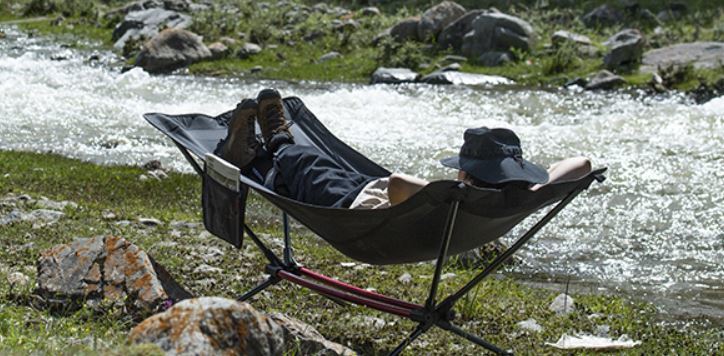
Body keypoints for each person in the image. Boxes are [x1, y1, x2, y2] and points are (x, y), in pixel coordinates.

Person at [217, 88, 592, 209]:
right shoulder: (519, 199)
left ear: (464, 174)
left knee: (304, 163)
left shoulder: (454, 202)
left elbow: (397, 183)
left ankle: (269, 146)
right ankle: (267, 144)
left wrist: (452, 192)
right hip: (375, 193)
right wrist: (538, 188)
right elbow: (582, 163)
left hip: (360, 211)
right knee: (335, 166)